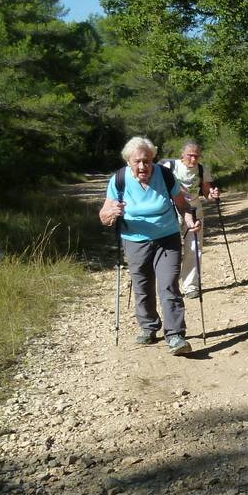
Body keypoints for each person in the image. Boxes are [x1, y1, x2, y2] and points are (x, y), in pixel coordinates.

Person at [98, 136, 200, 355]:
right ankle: (148, 327)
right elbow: (104, 216)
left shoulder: (164, 175)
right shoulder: (119, 180)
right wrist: (112, 213)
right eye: (137, 162)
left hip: (167, 237)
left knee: (169, 285)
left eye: (147, 161)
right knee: (142, 286)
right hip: (134, 240)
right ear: (129, 162)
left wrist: (190, 221)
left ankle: (175, 335)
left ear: (153, 159)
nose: (143, 166)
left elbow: (183, 205)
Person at [161, 140, 220, 298]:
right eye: (190, 156)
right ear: (182, 154)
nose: (193, 159)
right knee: (171, 249)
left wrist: (212, 195)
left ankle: (190, 286)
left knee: (194, 248)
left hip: (194, 211)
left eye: (196, 156)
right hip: (171, 211)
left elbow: (206, 193)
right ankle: (169, 287)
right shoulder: (169, 167)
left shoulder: (202, 169)